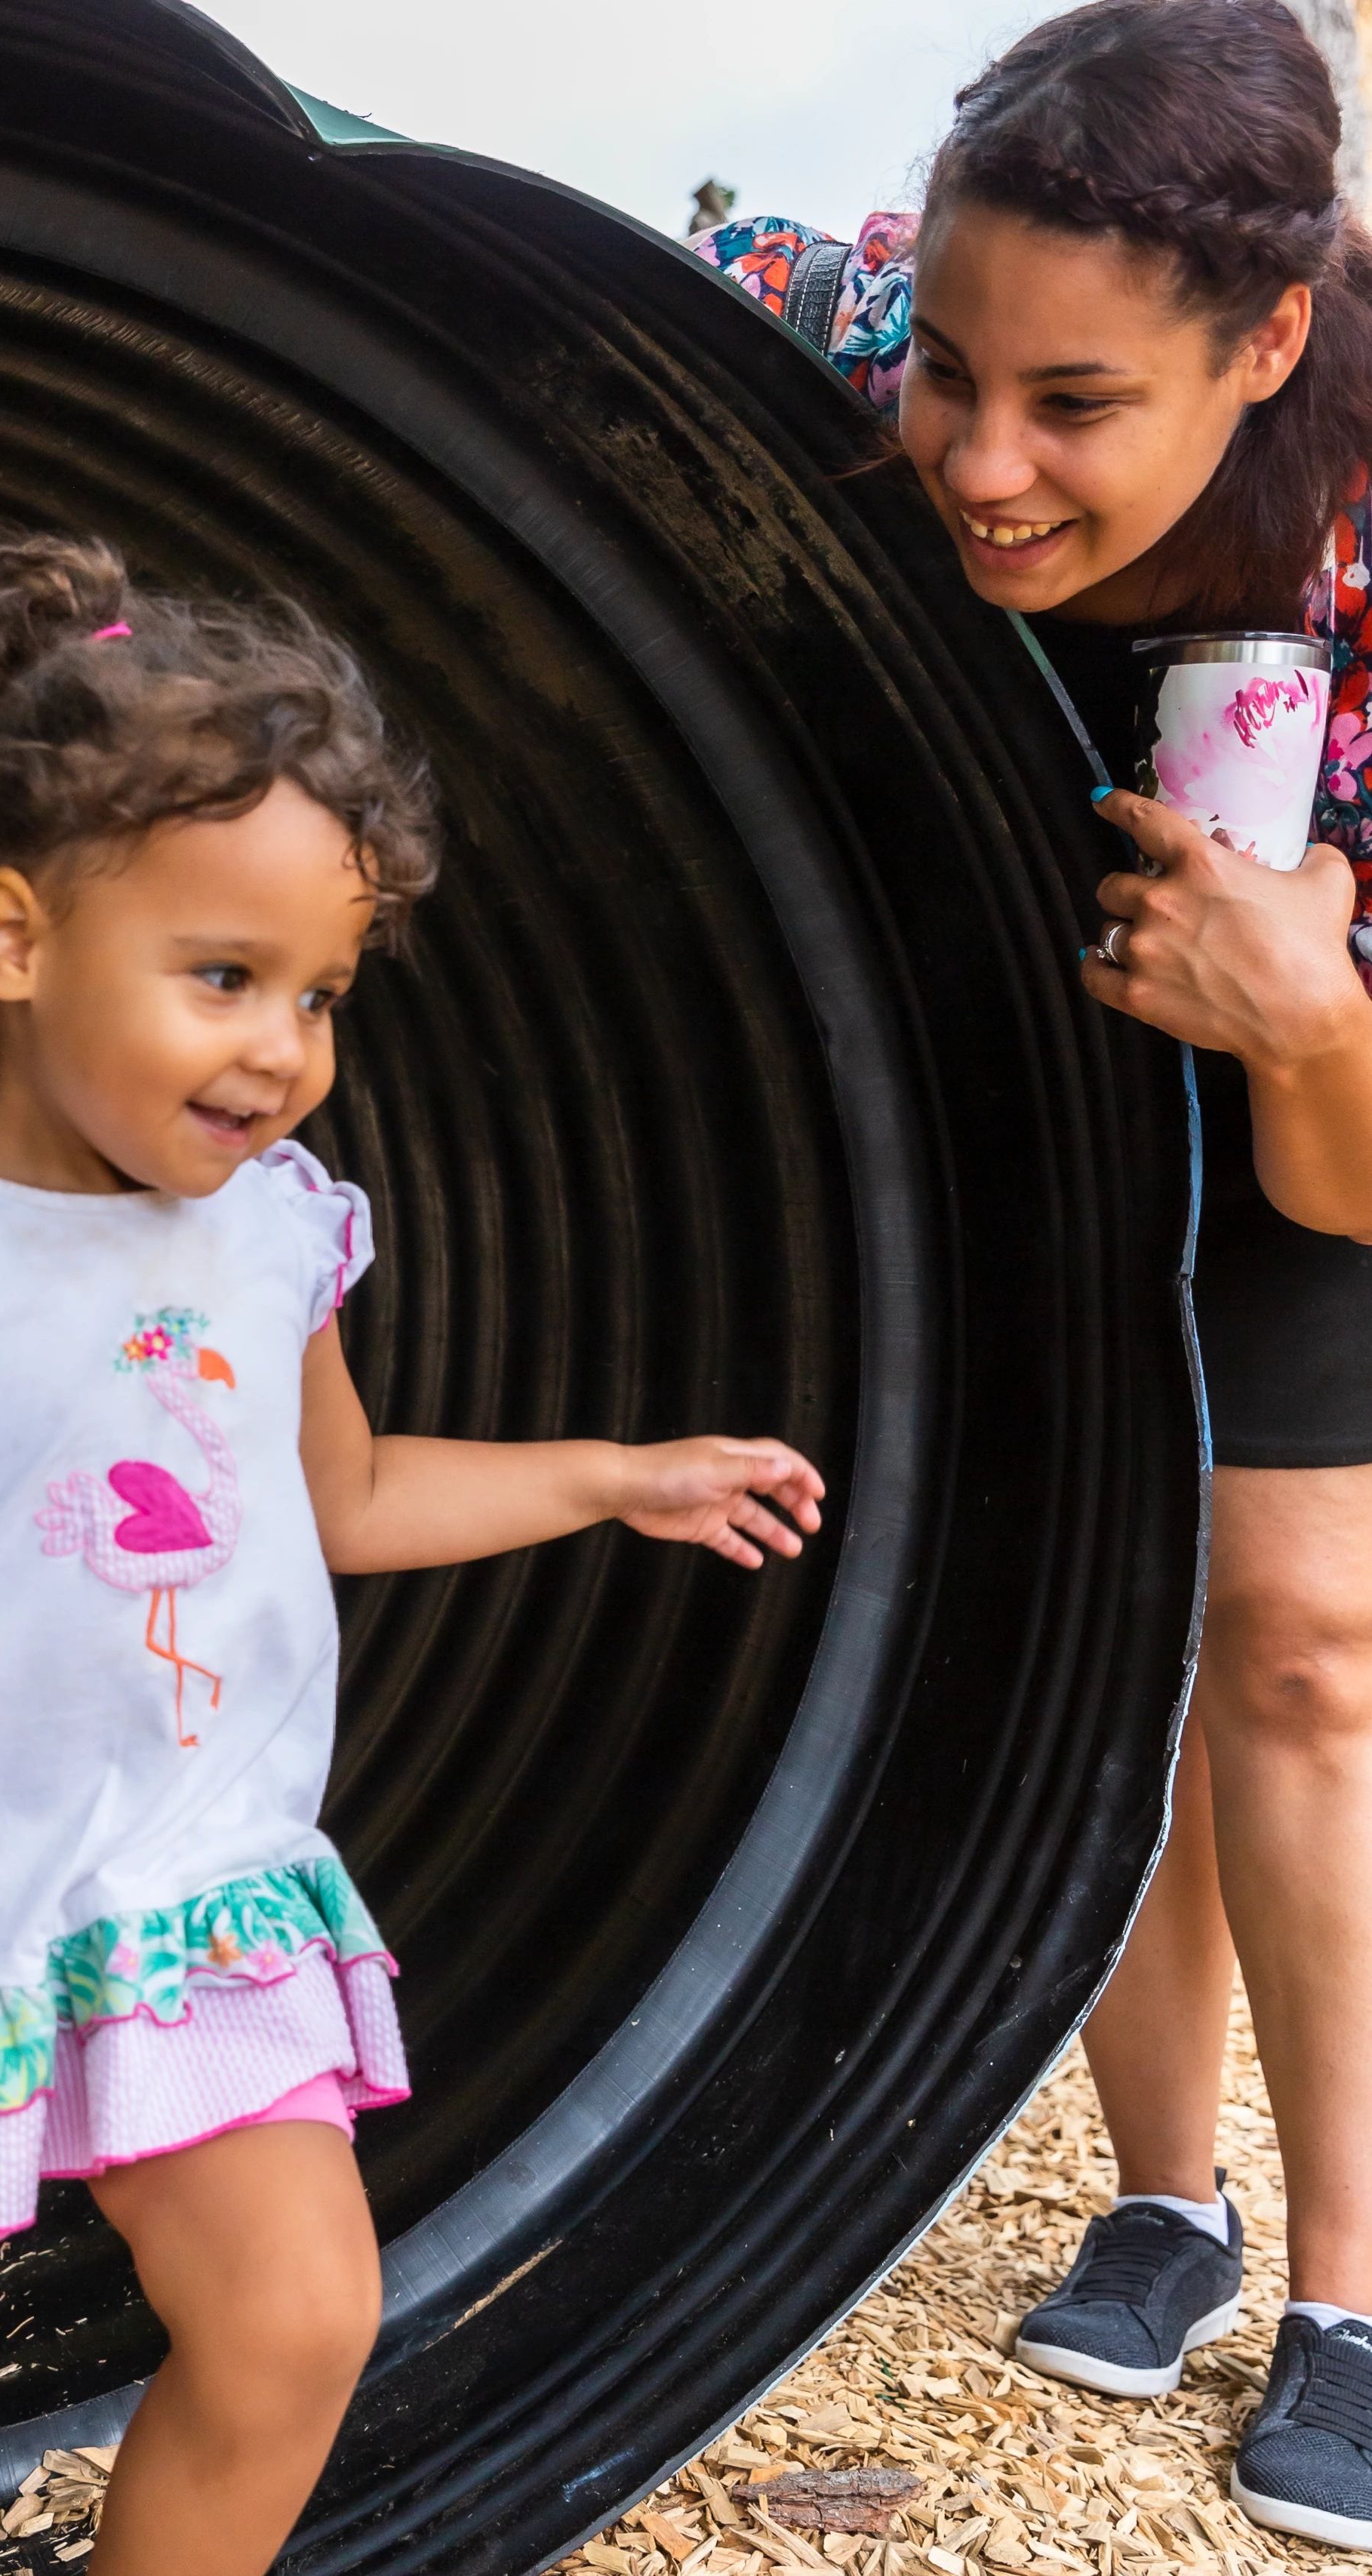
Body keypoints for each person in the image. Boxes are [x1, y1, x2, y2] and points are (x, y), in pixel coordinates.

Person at [0, 533, 827, 2576]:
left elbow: (347, 1501)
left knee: (300, 2316)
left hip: (186, 1887)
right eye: (221, 979)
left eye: (318, 993)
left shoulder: (280, 1231)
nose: (280, 1048)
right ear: (18, 940)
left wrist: (605, 1474)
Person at [700, 0, 1372, 2548]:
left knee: (1300, 1632)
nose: (978, 463)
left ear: (1272, 341)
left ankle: (1356, 2293)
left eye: (1075, 405)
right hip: (1014, 1007)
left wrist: (1303, 1022)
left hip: (1324, 1042)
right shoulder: (844, 311)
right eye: (950, 373)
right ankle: (1164, 2194)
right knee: (1102, 1596)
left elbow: (1361, 1188)